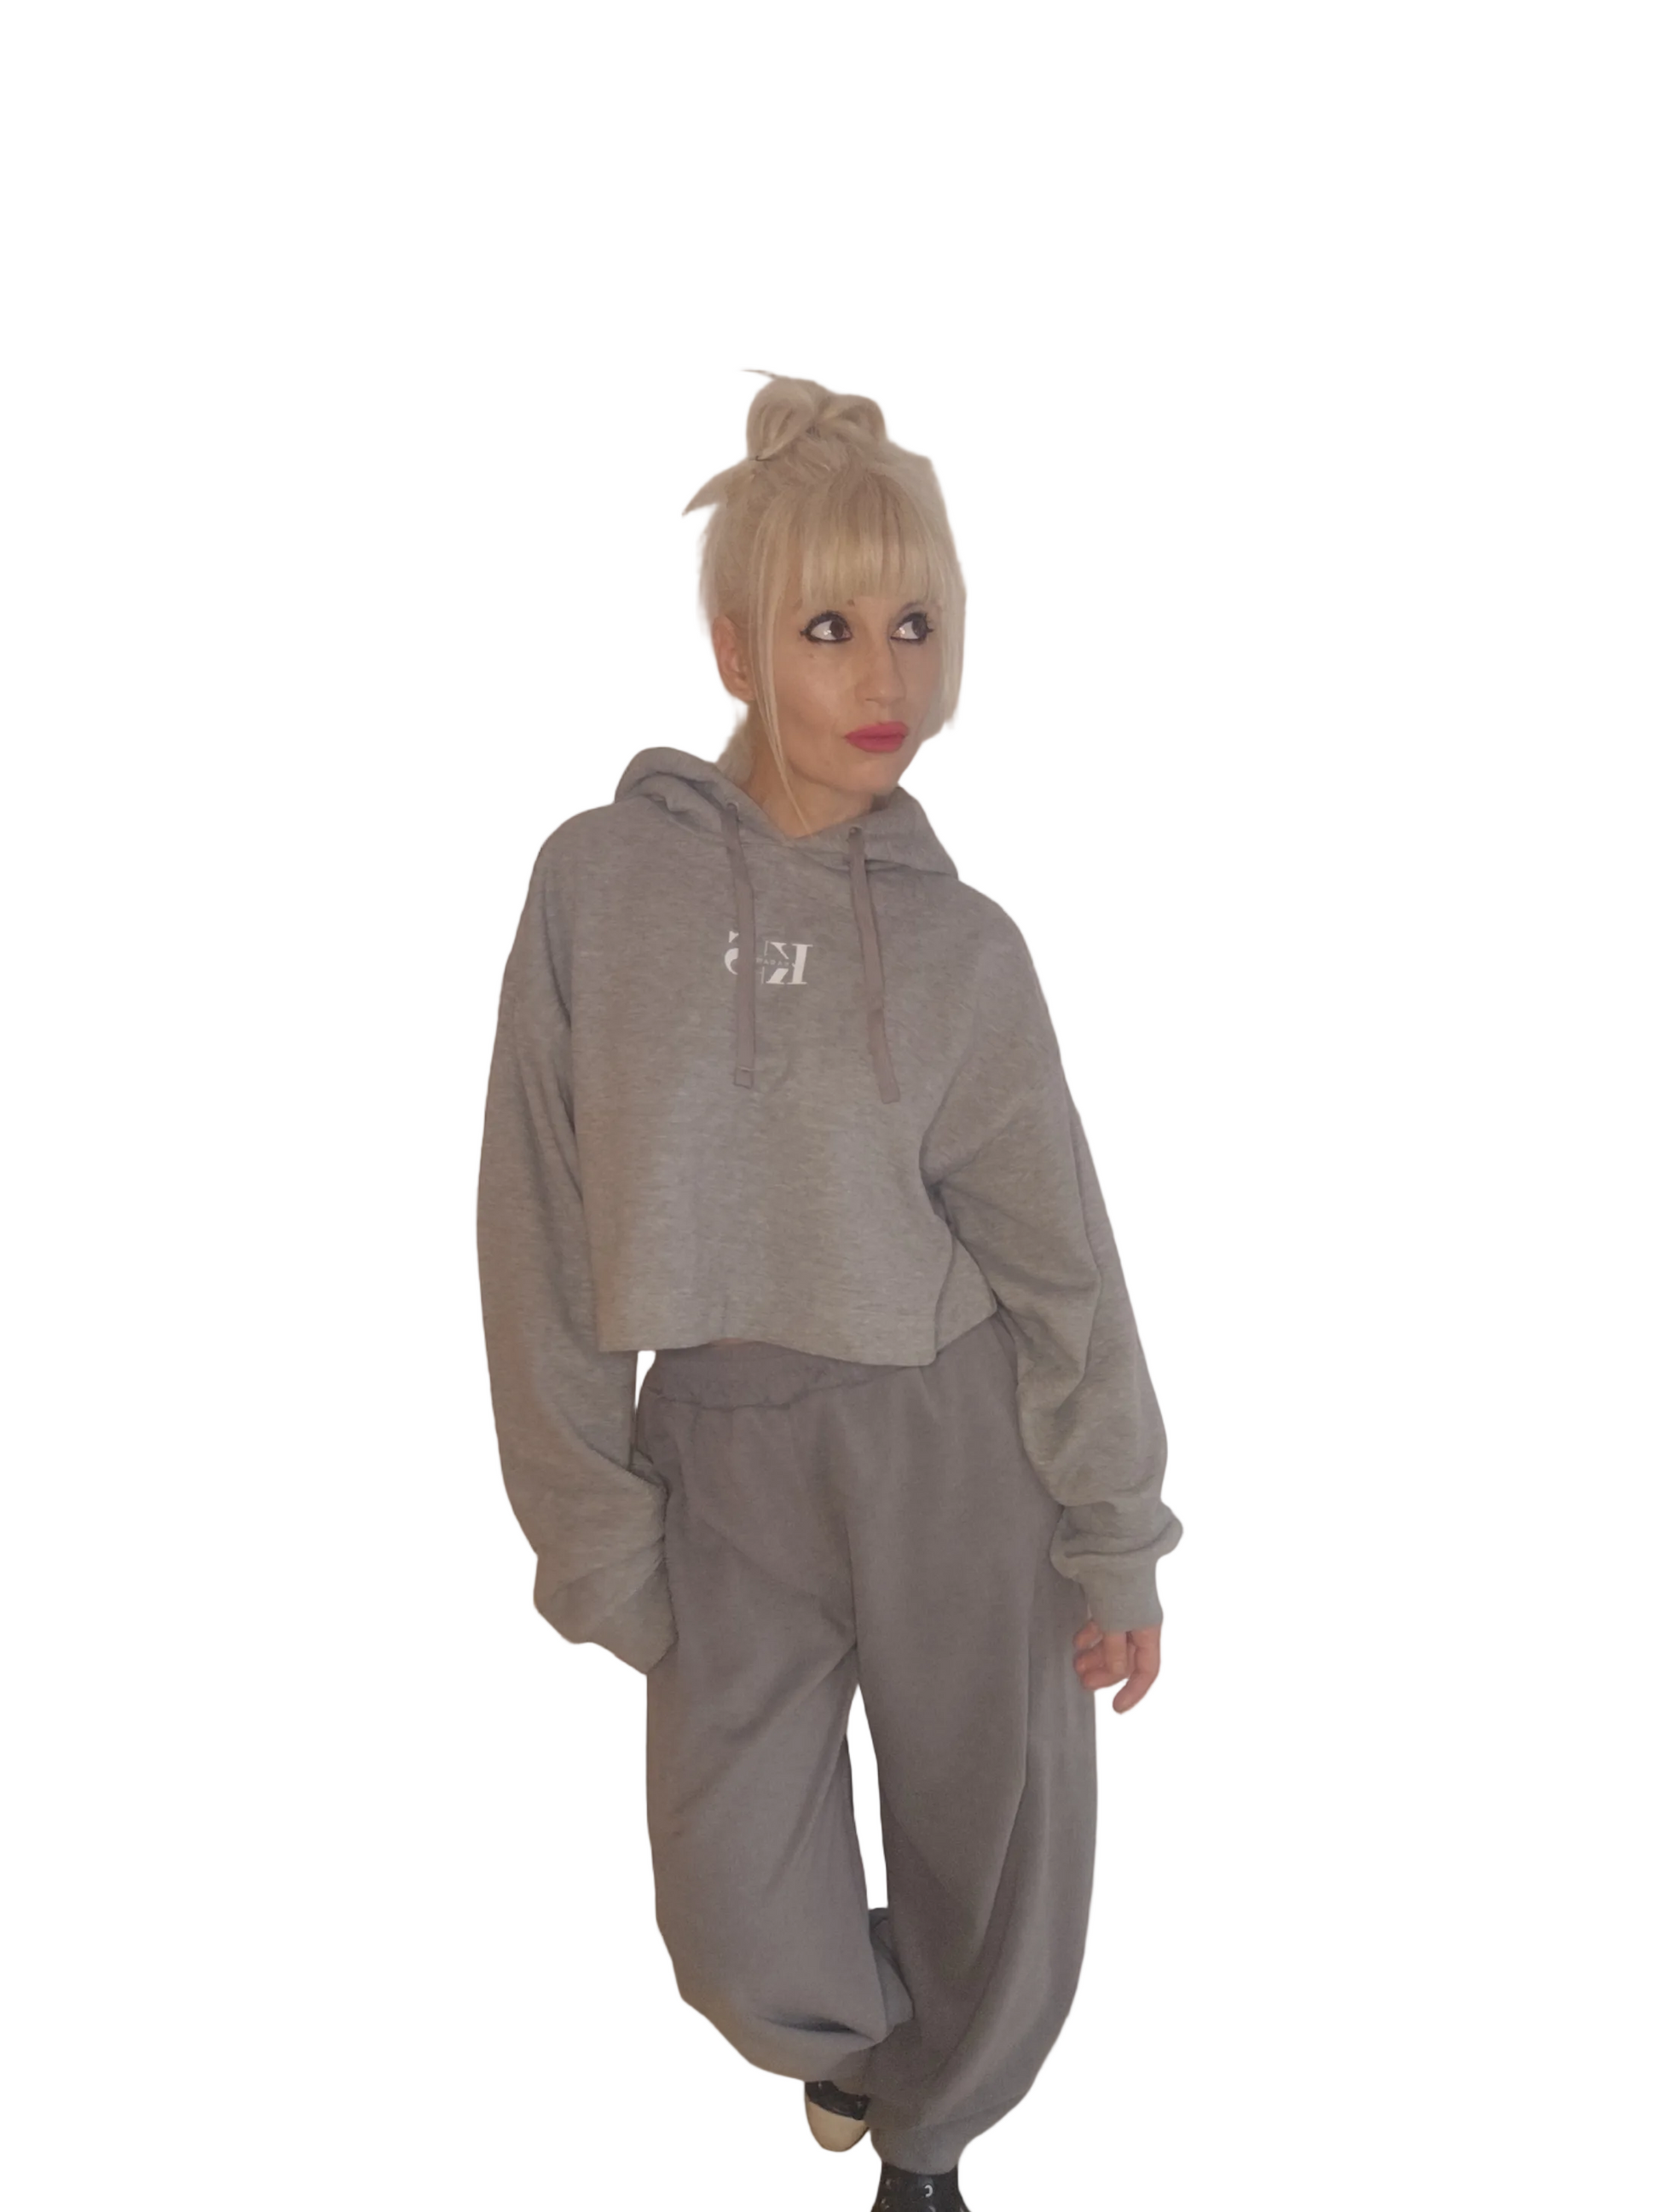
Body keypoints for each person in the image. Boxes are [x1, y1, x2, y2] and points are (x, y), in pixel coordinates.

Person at [475, 373, 1182, 2212]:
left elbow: (1060, 1253)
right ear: (732, 645)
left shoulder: (961, 950)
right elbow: (534, 1220)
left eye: (917, 625)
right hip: (721, 1451)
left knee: (992, 1856)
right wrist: (588, 1526)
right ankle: (861, 2051)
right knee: (731, 1913)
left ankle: (927, 2146)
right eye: (829, 628)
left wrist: (1111, 1529)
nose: (888, 676)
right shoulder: (596, 886)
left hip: (955, 1441)